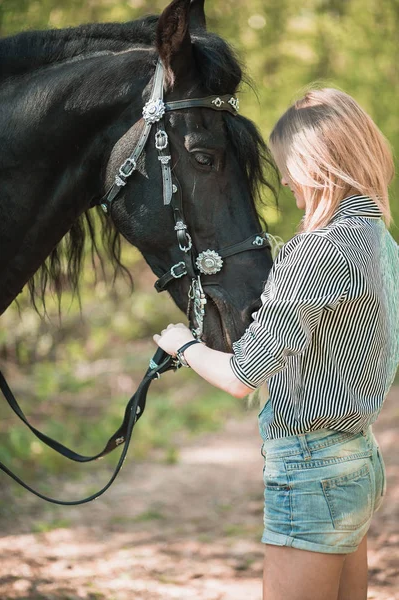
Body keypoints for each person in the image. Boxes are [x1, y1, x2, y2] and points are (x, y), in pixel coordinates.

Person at [153, 87, 399, 600]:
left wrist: (182, 344)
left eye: (289, 165)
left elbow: (243, 377)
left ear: (320, 164)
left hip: (314, 472)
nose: (285, 178)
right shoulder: (380, 241)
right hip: (356, 460)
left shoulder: (318, 251)